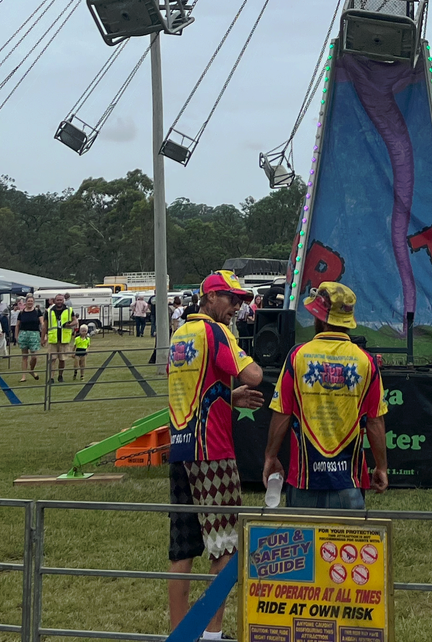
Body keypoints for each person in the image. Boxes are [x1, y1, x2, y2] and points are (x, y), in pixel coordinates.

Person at [166, 270, 264, 635]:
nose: (236, 306)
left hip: (179, 449)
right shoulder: (217, 331)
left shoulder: (180, 334)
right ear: (209, 298)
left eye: (240, 300)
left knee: (182, 550)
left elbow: (192, 385)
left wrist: (227, 395)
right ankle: (211, 633)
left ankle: (180, 632)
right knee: (223, 546)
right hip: (213, 452)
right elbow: (252, 374)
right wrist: (242, 359)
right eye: (229, 298)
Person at [262, 281, 388, 510]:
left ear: (319, 318)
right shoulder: (366, 362)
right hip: (348, 482)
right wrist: (381, 467)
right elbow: (375, 421)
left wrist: (270, 456)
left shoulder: (297, 356)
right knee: (348, 546)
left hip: (303, 480)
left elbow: (282, 413)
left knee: (304, 545)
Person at [16, 297, 45, 381]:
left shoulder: (37, 311)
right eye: (28, 301)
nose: (30, 302)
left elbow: (42, 323)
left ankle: (31, 370)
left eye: (31, 301)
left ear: (34, 302)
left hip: (34, 334)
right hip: (23, 333)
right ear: (26, 302)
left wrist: (44, 335)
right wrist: (16, 336)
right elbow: (17, 325)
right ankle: (23, 376)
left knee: (34, 356)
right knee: (24, 356)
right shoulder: (21, 313)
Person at [46, 297, 75, 378]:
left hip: (64, 339)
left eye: (61, 300)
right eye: (57, 300)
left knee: (62, 359)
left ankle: (60, 375)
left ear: (63, 301)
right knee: (52, 359)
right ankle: (51, 377)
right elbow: (45, 325)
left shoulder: (69, 310)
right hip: (53, 339)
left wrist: (70, 324)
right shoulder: (49, 311)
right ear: (55, 301)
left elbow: (75, 320)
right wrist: (43, 337)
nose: (59, 302)